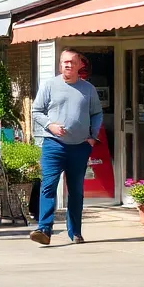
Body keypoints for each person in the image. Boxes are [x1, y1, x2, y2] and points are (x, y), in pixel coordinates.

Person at [29, 49, 102, 246]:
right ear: (60, 65)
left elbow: (97, 113)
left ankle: (75, 232)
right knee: (48, 186)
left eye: (71, 62)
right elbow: (36, 110)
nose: (68, 65)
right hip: (53, 145)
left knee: (76, 191)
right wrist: (50, 125)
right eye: (64, 62)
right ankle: (44, 229)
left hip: (79, 146)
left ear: (79, 65)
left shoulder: (88, 89)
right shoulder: (49, 85)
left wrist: (93, 136)